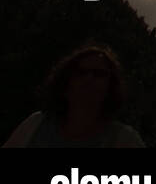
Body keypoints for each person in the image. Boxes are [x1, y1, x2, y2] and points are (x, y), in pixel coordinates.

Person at [2, 44, 145, 148]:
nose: (89, 78)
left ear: (111, 86)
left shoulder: (125, 140)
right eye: (81, 72)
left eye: (99, 74)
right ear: (65, 81)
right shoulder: (35, 125)